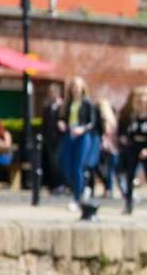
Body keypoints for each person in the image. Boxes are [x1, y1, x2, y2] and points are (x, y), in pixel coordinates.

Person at [59, 76, 101, 209]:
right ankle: (82, 188)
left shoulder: (87, 103)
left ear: (83, 88)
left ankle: (77, 197)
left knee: (78, 165)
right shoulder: (68, 104)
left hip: (82, 136)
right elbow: (63, 118)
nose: (75, 89)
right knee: (66, 164)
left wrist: (82, 129)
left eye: (78, 86)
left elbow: (92, 122)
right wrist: (61, 123)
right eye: (73, 86)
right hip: (69, 134)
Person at [118, 87, 147, 216]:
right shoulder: (132, 116)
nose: (140, 102)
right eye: (138, 100)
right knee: (130, 175)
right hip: (133, 147)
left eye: (143, 99)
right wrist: (124, 138)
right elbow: (124, 131)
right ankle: (129, 204)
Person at [40, 83, 65, 193]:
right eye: (49, 93)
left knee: (58, 162)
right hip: (49, 139)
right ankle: (53, 185)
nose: (51, 95)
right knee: (51, 162)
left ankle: (60, 184)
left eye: (52, 92)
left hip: (59, 139)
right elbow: (44, 124)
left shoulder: (62, 106)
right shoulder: (47, 107)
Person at [93, 99, 119, 198]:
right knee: (108, 170)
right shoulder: (113, 118)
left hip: (108, 148)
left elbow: (107, 133)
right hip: (111, 148)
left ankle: (109, 190)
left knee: (109, 170)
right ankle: (108, 189)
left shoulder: (106, 119)